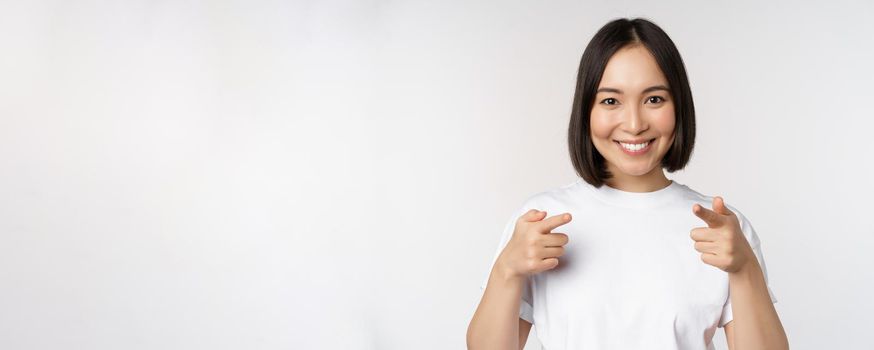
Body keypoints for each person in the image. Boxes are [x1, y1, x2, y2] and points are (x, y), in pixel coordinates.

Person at [466, 18, 788, 350]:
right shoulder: (541, 221)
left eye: (654, 99)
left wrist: (745, 267)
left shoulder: (722, 229)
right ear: (586, 110)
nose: (634, 124)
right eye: (610, 101)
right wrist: (507, 270)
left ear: (679, 106)